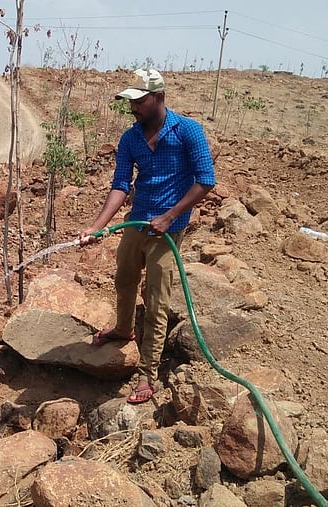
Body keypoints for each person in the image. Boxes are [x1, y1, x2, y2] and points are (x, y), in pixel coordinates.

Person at [79, 68, 216, 404]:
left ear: (159, 97)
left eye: (139, 101)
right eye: (131, 102)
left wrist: (169, 216)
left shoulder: (188, 132)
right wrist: (97, 226)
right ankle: (123, 330)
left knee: (156, 300)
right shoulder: (130, 139)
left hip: (168, 230)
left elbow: (206, 180)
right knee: (124, 280)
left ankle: (148, 373)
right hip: (136, 223)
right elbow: (121, 185)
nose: (133, 108)